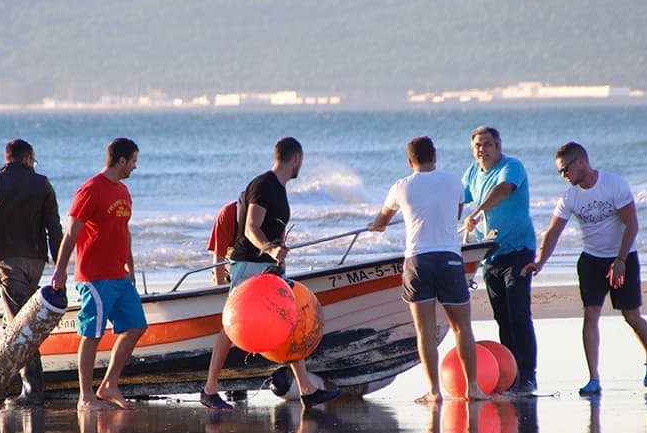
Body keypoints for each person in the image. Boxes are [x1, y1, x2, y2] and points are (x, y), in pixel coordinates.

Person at [200, 137, 341, 410]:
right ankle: (209, 389)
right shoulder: (264, 186)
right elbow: (252, 227)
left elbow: (273, 230)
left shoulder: (278, 188)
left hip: (268, 267)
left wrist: (279, 257)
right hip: (249, 265)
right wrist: (269, 249)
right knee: (232, 327)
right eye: (302, 160)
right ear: (296, 158)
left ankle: (307, 389)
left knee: (290, 319)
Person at [522, 142, 647, 395]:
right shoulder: (570, 196)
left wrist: (620, 261)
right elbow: (553, 232)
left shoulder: (614, 185)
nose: (563, 175)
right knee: (591, 315)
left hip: (623, 256)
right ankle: (594, 379)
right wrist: (540, 262)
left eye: (565, 170)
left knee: (631, 316)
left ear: (581, 163)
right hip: (591, 260)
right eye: (560, 172)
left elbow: (632, 225)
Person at [368, 136, 491, 404]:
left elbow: (382, 221)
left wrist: (374, 226)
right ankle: (473, 388)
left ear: (410, 161)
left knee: (424, 330)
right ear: (435, 157)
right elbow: (457, 214)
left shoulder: (400, 186)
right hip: (448, 258)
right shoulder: (454, 182)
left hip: (418, 262)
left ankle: (434, 391)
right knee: (462, 328)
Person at [0, 138, 63, 406]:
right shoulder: (43, 184)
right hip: (36, 262)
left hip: (8, 262)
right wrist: (60, 264)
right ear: (28, 158)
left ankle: (33, 389)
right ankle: (2, 383)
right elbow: (55, 227)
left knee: (20, 325)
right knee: (16, 319)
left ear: (8, 158)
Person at [50, 138, 149, 410]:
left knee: (137, 326)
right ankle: (85, 396)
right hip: (94, 277)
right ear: (121, 160)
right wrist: (59, 271)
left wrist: (130, 265)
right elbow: (71, 233)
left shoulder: (124, 191)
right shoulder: (90, 190)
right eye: (133, 161)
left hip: (119, 274)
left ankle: (108, 385)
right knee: (92, 334)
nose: (135, 167)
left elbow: (123, 231)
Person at [461, 125, 539, 394]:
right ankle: (511, 375)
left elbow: (502, 191)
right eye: (477, 146)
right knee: (503, 318)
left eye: (487, 144)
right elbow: (457, 199)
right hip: (490, 254)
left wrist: (478, 210)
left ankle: (528, 376)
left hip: (518, 251)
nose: (482, 149)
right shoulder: (472, 173)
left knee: (519, 315)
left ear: (498, 146)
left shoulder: (511, 167)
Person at [206, 200, 238, 286]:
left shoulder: (274, 211)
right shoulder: (229, 212)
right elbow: (219, 256)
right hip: (230, 266)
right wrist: (219, 286)